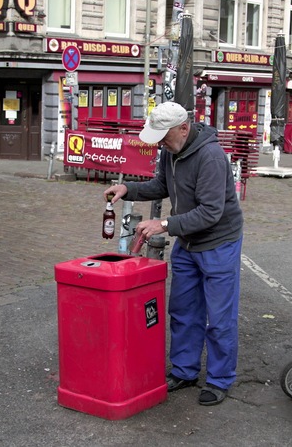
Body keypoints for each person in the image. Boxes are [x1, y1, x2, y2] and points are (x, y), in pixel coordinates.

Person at [104, 101, 243, 406]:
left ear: (184, 128)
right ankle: (184, 370)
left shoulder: (211, 157)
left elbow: (210, 212)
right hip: (188, 243)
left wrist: (165, 224)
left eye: (164, 137)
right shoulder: (171, 151)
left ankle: (220, 379)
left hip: (218, 243)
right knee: (183, 310)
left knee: (219, 318)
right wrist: (129, 189)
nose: (161, 145)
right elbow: (161, 185)